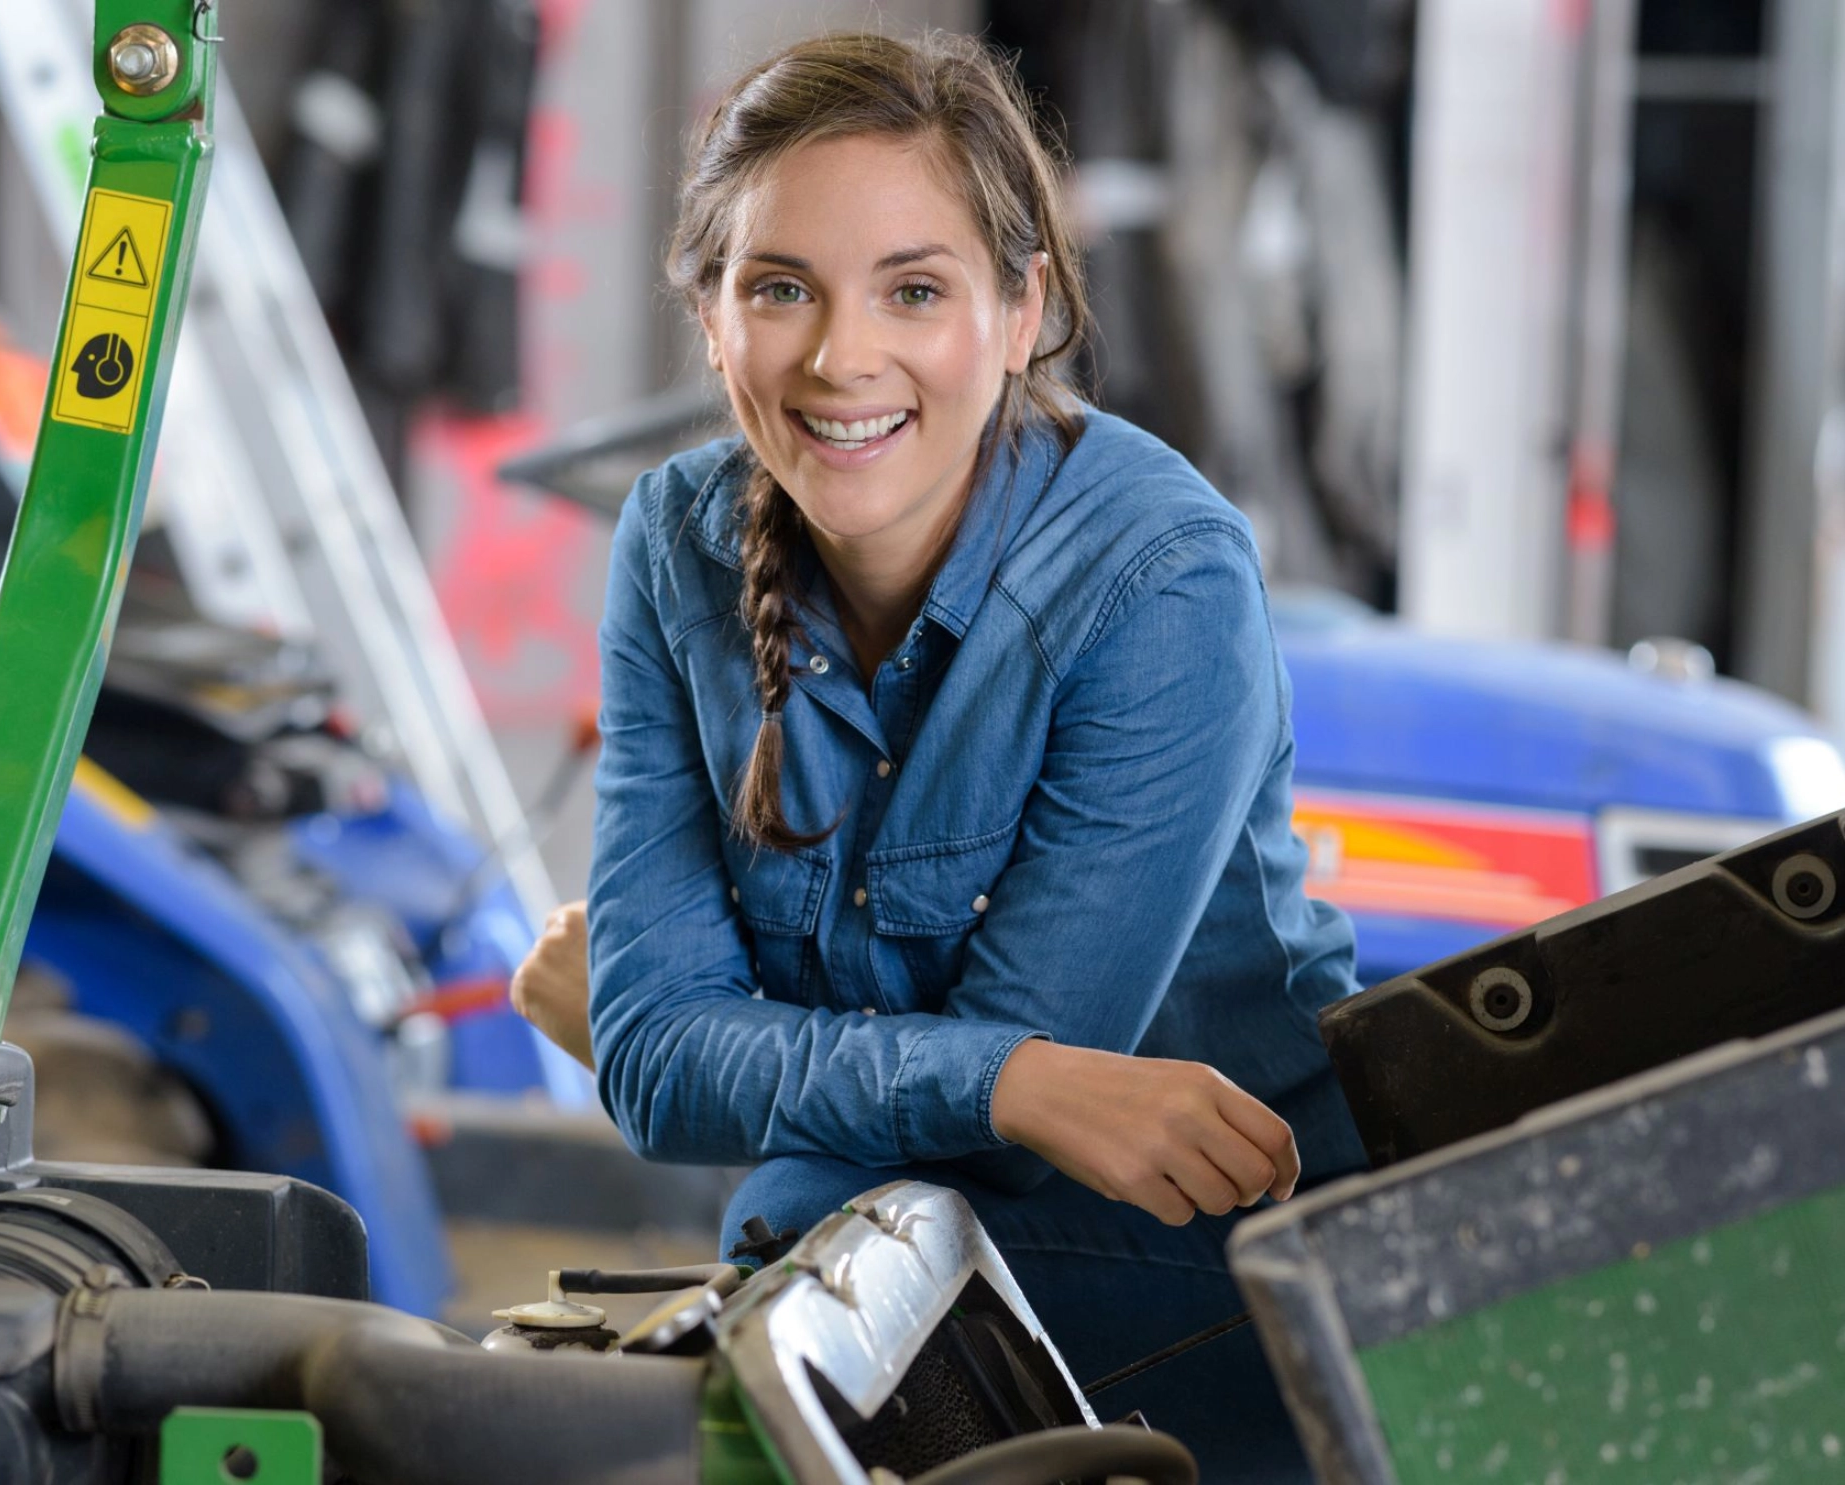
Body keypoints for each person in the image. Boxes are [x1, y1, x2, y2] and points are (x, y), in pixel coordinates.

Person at [510, 30, 1367, 1479]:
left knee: (798, 1210)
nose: (844, 358)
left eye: (916, 290)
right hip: (925, 1263)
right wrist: (1012, 1078)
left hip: (1232, 1292)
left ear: (1024, 309)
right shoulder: (677, 539)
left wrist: (723, 1043)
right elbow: (662, 1065)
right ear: (710, 317)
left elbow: (963, 1149)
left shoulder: (1158, 576)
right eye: (780, 289)